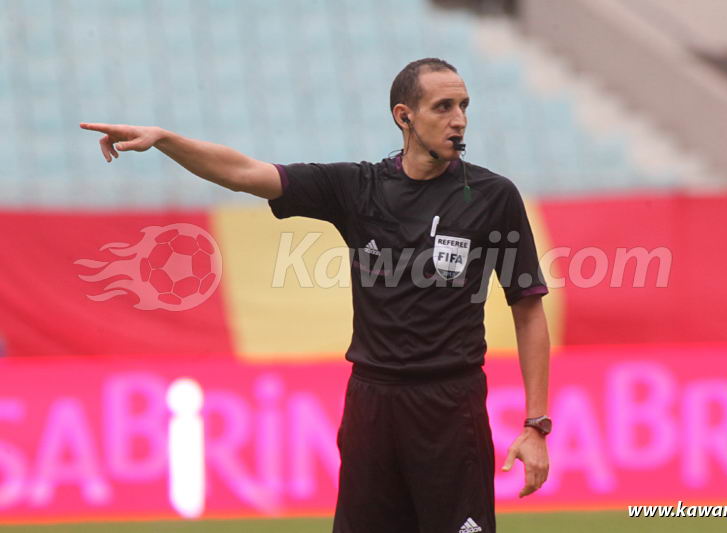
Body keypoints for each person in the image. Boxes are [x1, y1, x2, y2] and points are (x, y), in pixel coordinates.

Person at [81, 57, 551, 533]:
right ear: (404, 116)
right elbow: (246, 172)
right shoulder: (358, 187)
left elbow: (529, 311)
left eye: (464, 106)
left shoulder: (494, 196)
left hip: (451, 405)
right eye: (443, 106)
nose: (460, 120)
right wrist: (166, 140)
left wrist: (536, 425)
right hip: (373, 404)